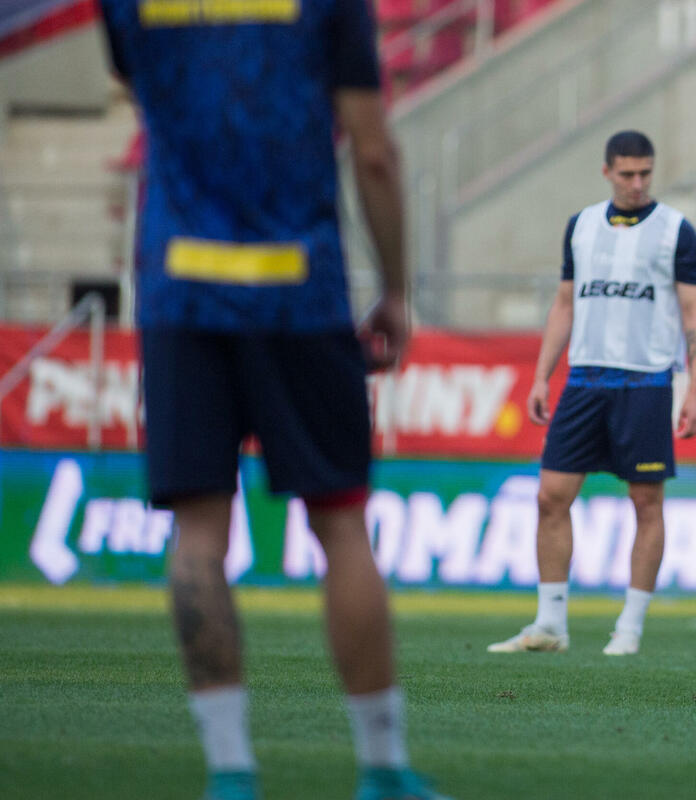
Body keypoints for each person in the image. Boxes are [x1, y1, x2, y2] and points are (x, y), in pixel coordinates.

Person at [98, 2, 447, 798]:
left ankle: (230, 774)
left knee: (197, 531)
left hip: (180, 286)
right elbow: (374, 151)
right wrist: (396, 290)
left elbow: (139, 83)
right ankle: (382, 768)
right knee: (341, 524)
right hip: (299, 288)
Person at [488, 131, 696, 657]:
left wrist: (695, 388)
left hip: (645, 380)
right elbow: (565, 302)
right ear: (607, 171)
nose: (637, 183)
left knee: (646, 501)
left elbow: (695, 313)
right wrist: (542, 375)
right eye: (627, 174)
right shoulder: (581, 225)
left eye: (645, 173)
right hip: (585, 379)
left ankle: (629, 628)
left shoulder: (675, 230)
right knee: (550, 496)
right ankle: (550, 623)